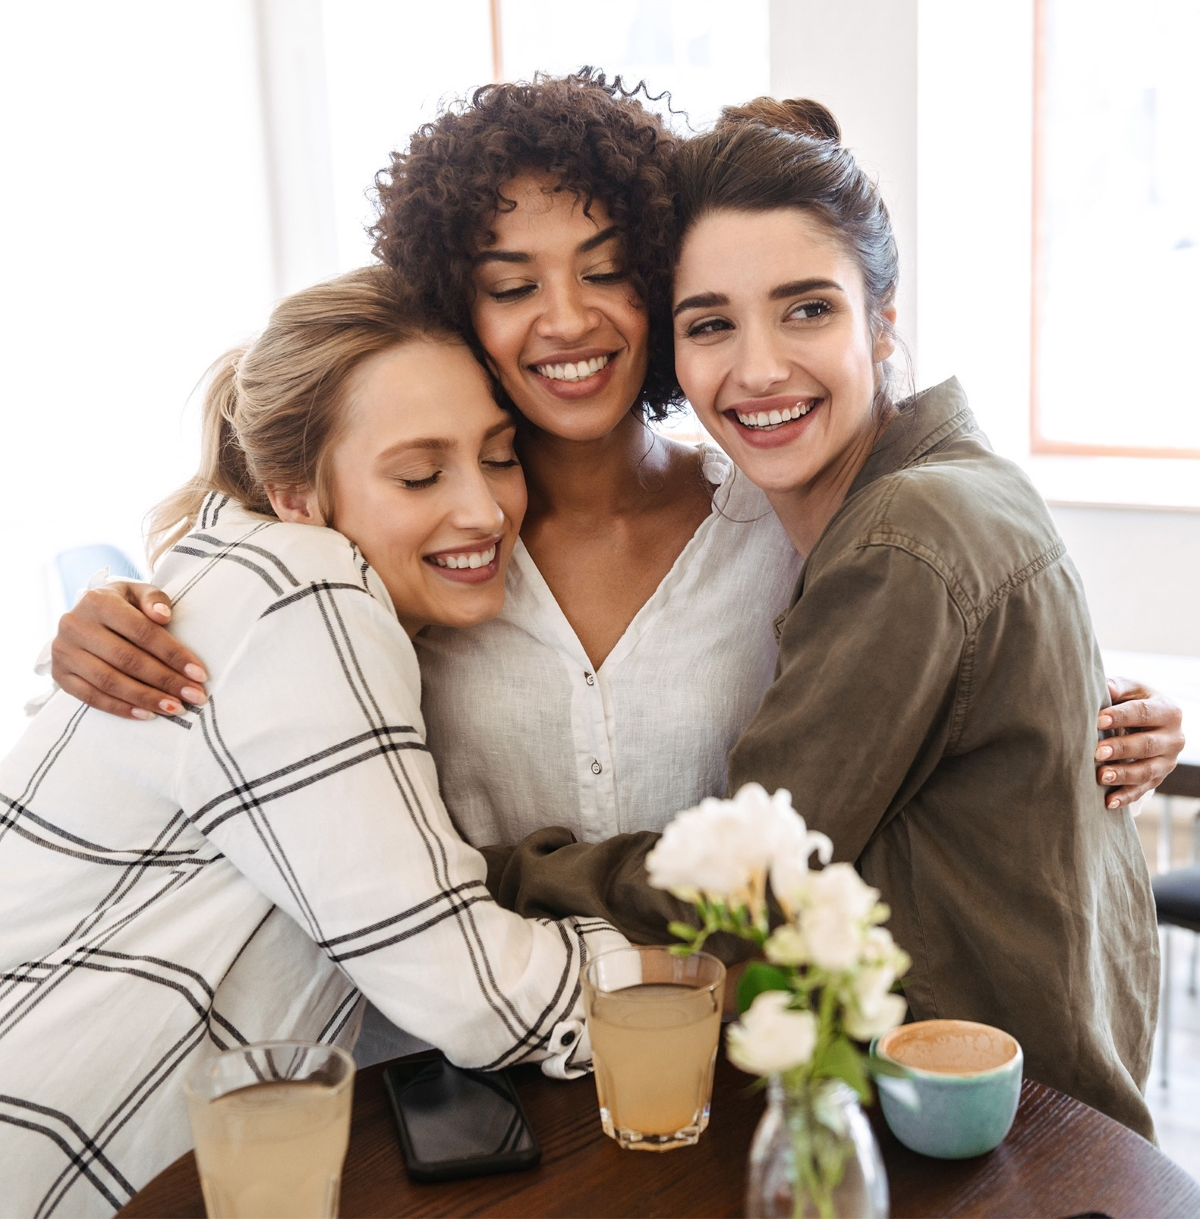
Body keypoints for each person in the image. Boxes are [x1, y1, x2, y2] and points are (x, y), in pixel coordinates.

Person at [46, 73, 1183, 837]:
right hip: (460, 1084)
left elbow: (931, 678)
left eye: (604, 271)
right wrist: (116, 615)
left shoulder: (778, 525)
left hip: (728, 1072)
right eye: (510, 286)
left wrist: (1097, 715)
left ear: (661, 286)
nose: (568, 320)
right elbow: (250, 574)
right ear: (458, 304)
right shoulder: (416, 533)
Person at [0, 268, 628, 1217]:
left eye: (498, 456)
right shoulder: (305, 587)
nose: (485, 510)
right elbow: (471, 990)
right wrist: (695, 983)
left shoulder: (242, 569)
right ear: (295, 492)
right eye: (419, 474)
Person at [668, 97, 1159, 1136]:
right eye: (710, 322)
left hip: (993, 1143)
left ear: (885, 320)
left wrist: (517, 865)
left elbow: (750, 884)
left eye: (808, 309)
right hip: (1048, 1115)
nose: (755, 367)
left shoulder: (904, 534)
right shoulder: (953, 482)